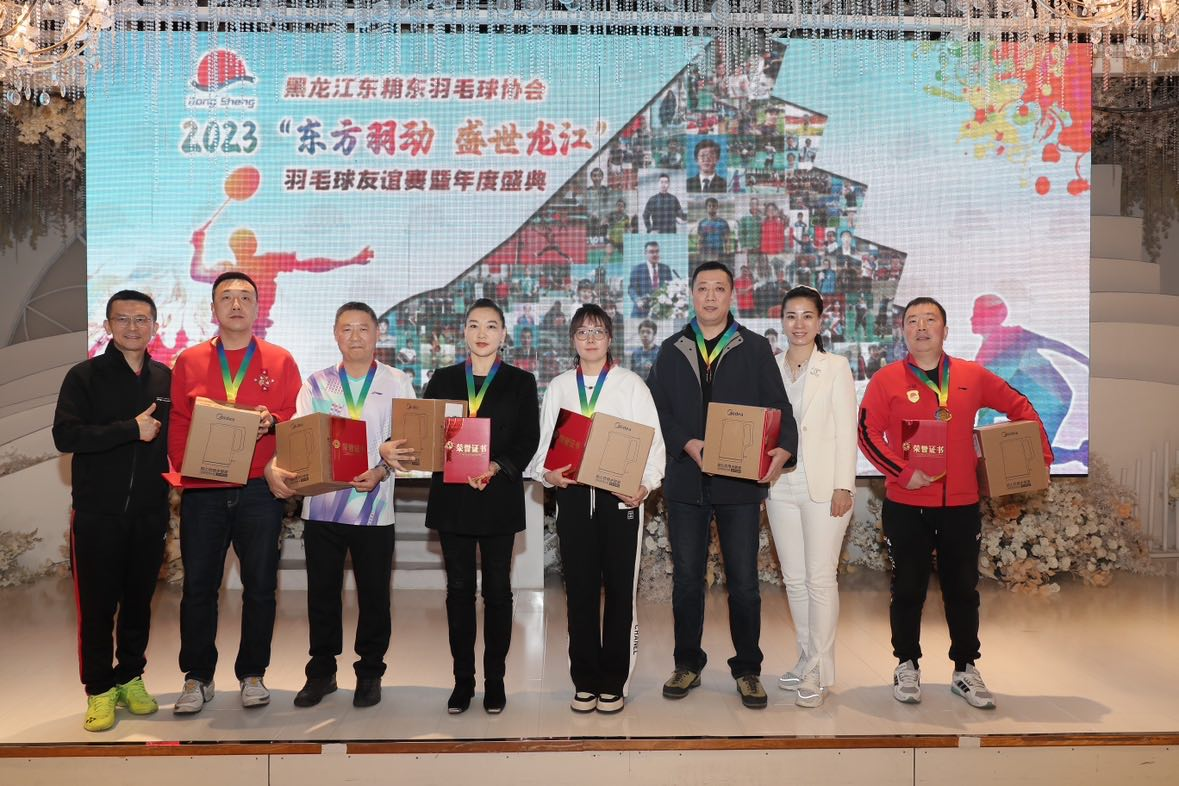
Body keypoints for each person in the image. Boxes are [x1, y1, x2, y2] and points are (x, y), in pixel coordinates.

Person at [858, 297, 1052, 710]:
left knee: (963, 590)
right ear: (903, 332)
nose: (921, 327)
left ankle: (965, 668)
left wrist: (1038, 454)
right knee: (907, 589)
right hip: (906, 504)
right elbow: (867, 433)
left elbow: (1020, 406)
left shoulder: (971, 375)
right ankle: (906, 663)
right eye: (912, 320)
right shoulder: (886, 380)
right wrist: (901, 471)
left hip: (961, 506)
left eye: (930, 319)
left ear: (945, 330)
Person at [646, 261, 797, 710]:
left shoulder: (754, 347)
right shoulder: (672, 349)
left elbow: (779, 407)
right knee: (687, 581)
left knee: (745, 584)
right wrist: (686, 442)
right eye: (702, 288)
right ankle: (687, 663)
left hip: (739, 486)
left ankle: (748, 669)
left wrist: (784, 448)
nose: (710, 296)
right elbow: (657, 409)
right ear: (691, 295)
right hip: (686, 482)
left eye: (719, 288)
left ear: (732, 295)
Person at [389, 298, 539, 714]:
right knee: (458, 592)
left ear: (503, 334)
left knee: (498, 593)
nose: (482, 333)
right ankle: (462, 681)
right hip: (453, 500)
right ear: (464, 332)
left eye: (490, 326)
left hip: (498, 497)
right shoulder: (443, 379)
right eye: (474, 325)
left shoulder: (521, 381)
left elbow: (528, 438)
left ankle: (495, 681)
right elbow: (425, 434)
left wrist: (496, 466)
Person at [264, 302, 416, 709]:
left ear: (377, 334)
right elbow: (298, 439)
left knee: (374, 597)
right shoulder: (316, 384)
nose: (355, 336)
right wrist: (280, 466)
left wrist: (382, 468)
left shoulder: (397, 381)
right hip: (322, 507)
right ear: (335, 335)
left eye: (363, 328)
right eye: (346, 329)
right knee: (322, 594)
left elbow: (408, 444)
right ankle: (321, 672)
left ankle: (370, 672)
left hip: (375, 507)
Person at [168, 271, 302, 715]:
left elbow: (296, 418)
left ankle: (252, 673)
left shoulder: (280, 360)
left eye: (245, 296)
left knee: (260, 586)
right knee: (199, 587)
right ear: (213, 309)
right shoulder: (189, 360)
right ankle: (197, 677)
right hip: (204, 491)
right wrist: (188, 469)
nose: (237, 304)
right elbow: (179, 423)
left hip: (259, 490)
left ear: (258, 308)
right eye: (227, 297)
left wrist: (274, 421)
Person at [529, 305, 665, 714]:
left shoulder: (631, 385)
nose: (590, 339)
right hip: (573, 500)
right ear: (573, 339)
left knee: (621, 594)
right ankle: (585, 680)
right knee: (580, 593)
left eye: (599, 331)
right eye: (583, 332)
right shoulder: (559, 387)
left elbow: (654, 445)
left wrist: (645, 485)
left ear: (610, 339)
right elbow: (542, 450)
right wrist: (547, 474)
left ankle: (614, 681)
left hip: (619, 501)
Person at [53, 290, 173, 732]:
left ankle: (131, 677)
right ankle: (99, 689)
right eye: (122, 319)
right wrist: (129, 430)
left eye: (141, 319)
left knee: (139, 603)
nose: (132, 327)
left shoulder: (165, 378)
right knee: (97, 608)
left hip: (150, 512)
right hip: (97, 513)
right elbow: (65, 436)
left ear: (155, 326)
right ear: (107, 326)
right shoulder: (84, 376)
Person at [763, 287, 857, 709]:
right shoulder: (771, 367)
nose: (798, 324)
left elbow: (846, 429)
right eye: (791, 316)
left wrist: (844, 486)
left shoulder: (835, 367)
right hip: (779, 485)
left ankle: (820, 668)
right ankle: (805, 656)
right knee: (795, 579)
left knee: (820, 579)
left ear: (820, 322)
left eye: (807, 316)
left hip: (824, 486)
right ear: (781, 321)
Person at [970, 294, 1089, 465]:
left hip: (1052, 401)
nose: (972, 319)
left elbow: (1056, 345)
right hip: (1038, 402)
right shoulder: (984, 356)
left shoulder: (1014, 335)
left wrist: (1087, 362)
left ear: (993, 318)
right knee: (1031, 454)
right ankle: (1080, 454)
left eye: (977, 314)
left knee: (1033, 455)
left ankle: (1081, 455)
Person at [191, 226, 372, 338]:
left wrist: (350, 261)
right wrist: (199, 248)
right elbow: (198, 274)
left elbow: (310, 264)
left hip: (255, 334)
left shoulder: (268, 262)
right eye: (243, 243)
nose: (248, 245)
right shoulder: (227, 270)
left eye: (250, 242)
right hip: (225, 335)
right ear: (234, 247)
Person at [628, 241, 675, 318]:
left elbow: (670, 287)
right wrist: (637, 300)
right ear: (645, 253)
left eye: (657, 251)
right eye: (651, 252)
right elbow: (631, 289)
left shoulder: (665, 268)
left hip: (661, 312)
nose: (655, 254)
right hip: (641, 311)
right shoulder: (637, 269)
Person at [696, 198, 731, 263]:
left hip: (719, 255)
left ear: (717, 207)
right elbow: (699, 240)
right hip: (706, 255)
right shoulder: (702, 223)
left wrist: (728, 253)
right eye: (709, 206)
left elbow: (727, 240)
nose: (712, 207)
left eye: (714, 206)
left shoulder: (723, 222)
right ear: (706, 207)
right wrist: (699, 254)